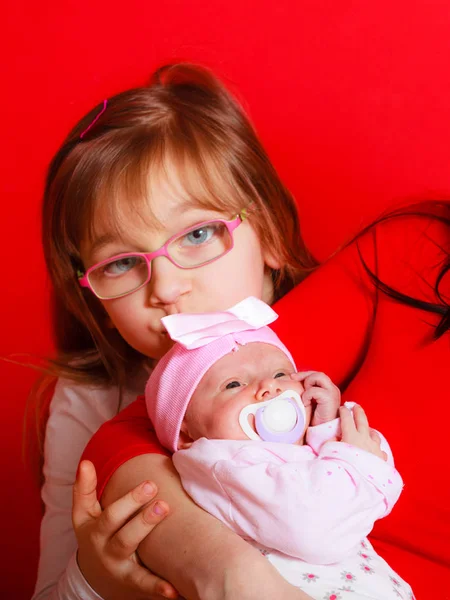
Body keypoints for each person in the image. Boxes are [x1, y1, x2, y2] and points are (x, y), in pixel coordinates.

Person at [31, 60, 449, 600]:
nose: (166, 286)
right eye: (120, 264)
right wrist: (94, 577)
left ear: (270, 232)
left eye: (199, 234)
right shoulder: (89, 399)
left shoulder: (315, 342)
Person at [144, 296, 412, 600]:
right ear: (185, 432)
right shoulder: (225, 464)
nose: (269, 388)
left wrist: (325, 429)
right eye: (234, 384)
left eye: (280, 374)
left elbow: (367, 496)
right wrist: (358, 458)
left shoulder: (290, 454)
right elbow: (317, 529)